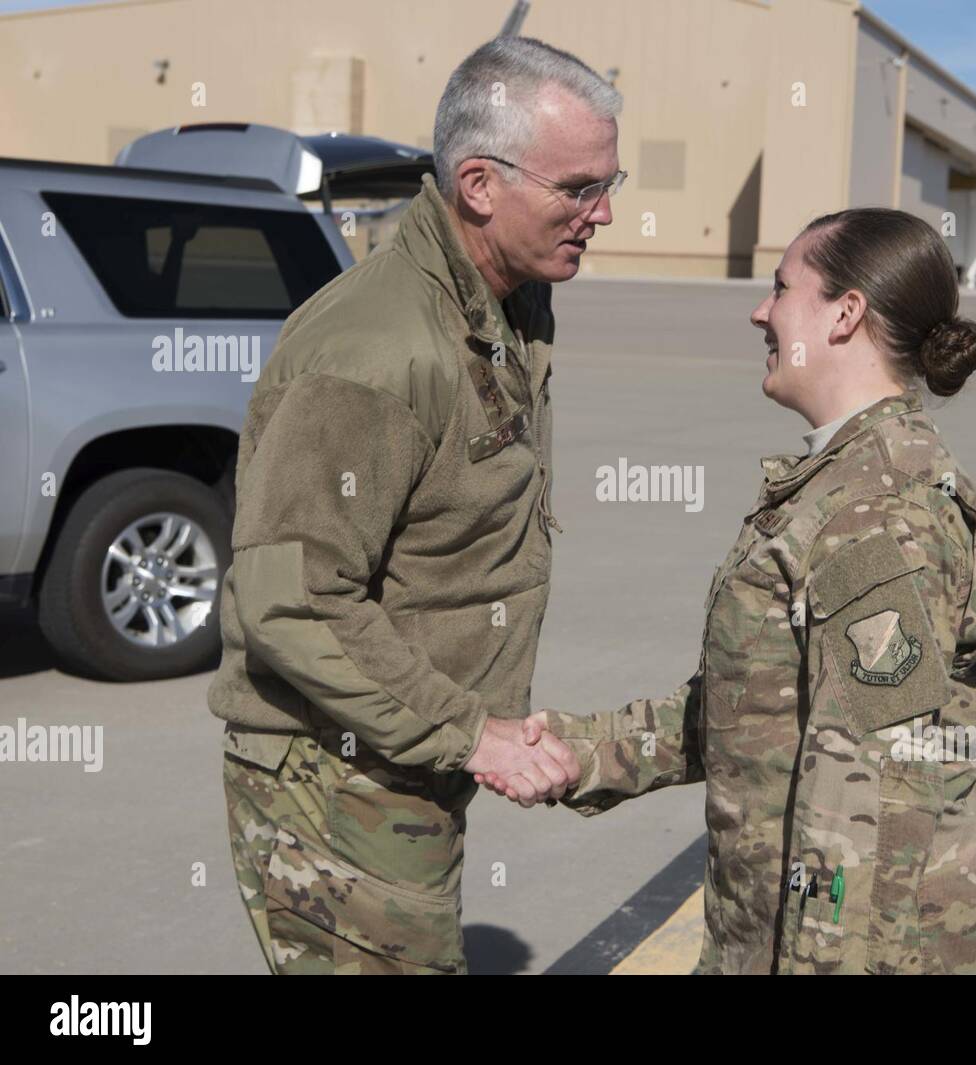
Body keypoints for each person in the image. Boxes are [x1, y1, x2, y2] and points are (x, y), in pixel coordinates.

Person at [481, 207, 976, 974]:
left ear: (844, 315)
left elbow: (865, 807)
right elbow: (759, 707)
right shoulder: (843, 483)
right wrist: (580, 752)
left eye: (781, 288)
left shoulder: (871, 514)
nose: (760, 311)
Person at [210, 36, 626, 974]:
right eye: (579, 188)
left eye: (612, 180)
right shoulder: (377, 353)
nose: (604, 212)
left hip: (403, 760)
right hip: (335, 777)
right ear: (480, 184)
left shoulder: (508, 303)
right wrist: (472, 730)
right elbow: (298, 598)